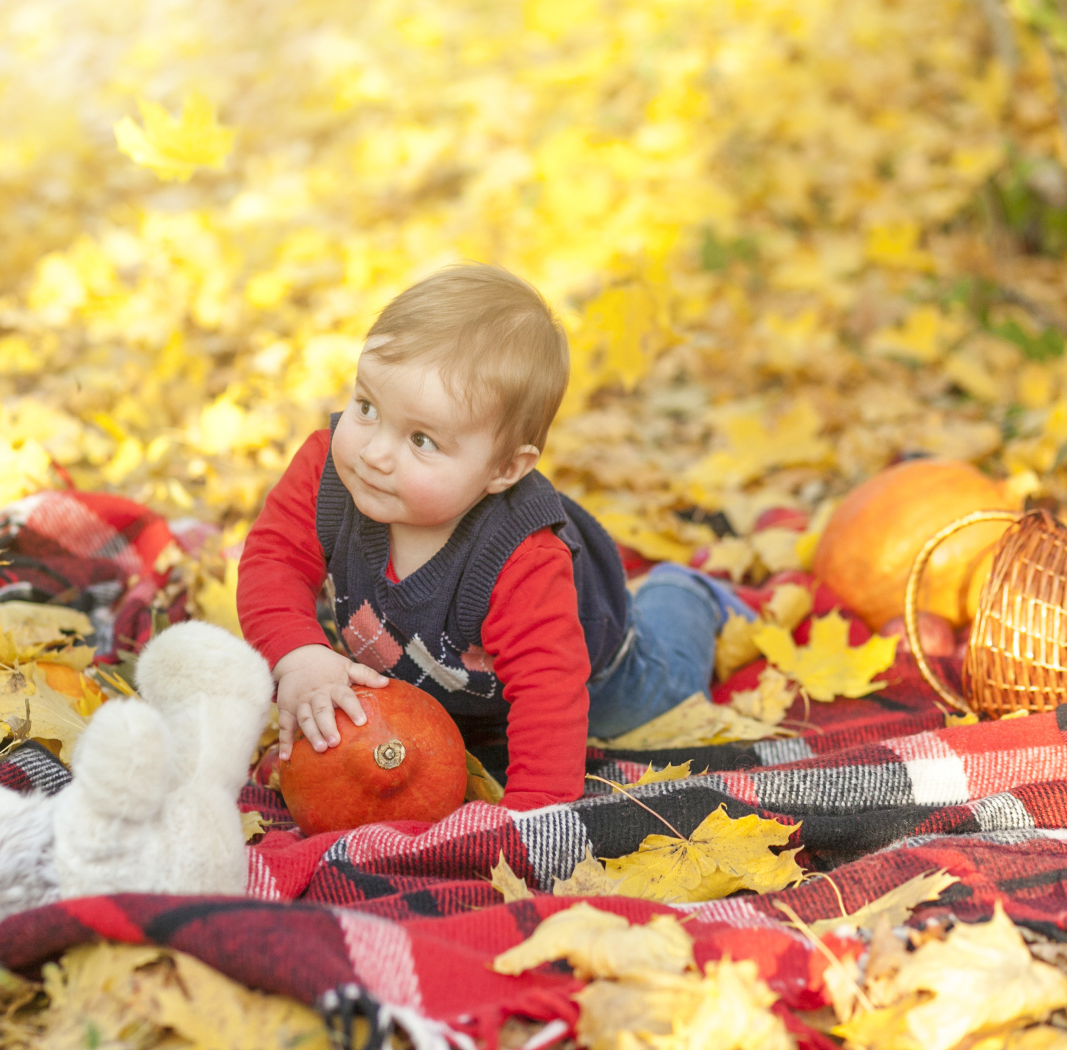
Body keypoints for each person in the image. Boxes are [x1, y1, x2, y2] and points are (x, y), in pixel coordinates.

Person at [237, 263, 750, 811]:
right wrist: (300, 653)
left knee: (657, 697)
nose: (374, 452)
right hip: (447, 678)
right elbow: (274, 559)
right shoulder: (328, 472)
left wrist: (531, 822)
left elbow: (548, 693)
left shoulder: (520, 558)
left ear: (505, 468)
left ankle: (686, 593)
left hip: (597, 676)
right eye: (367, 407)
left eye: (422, 440)